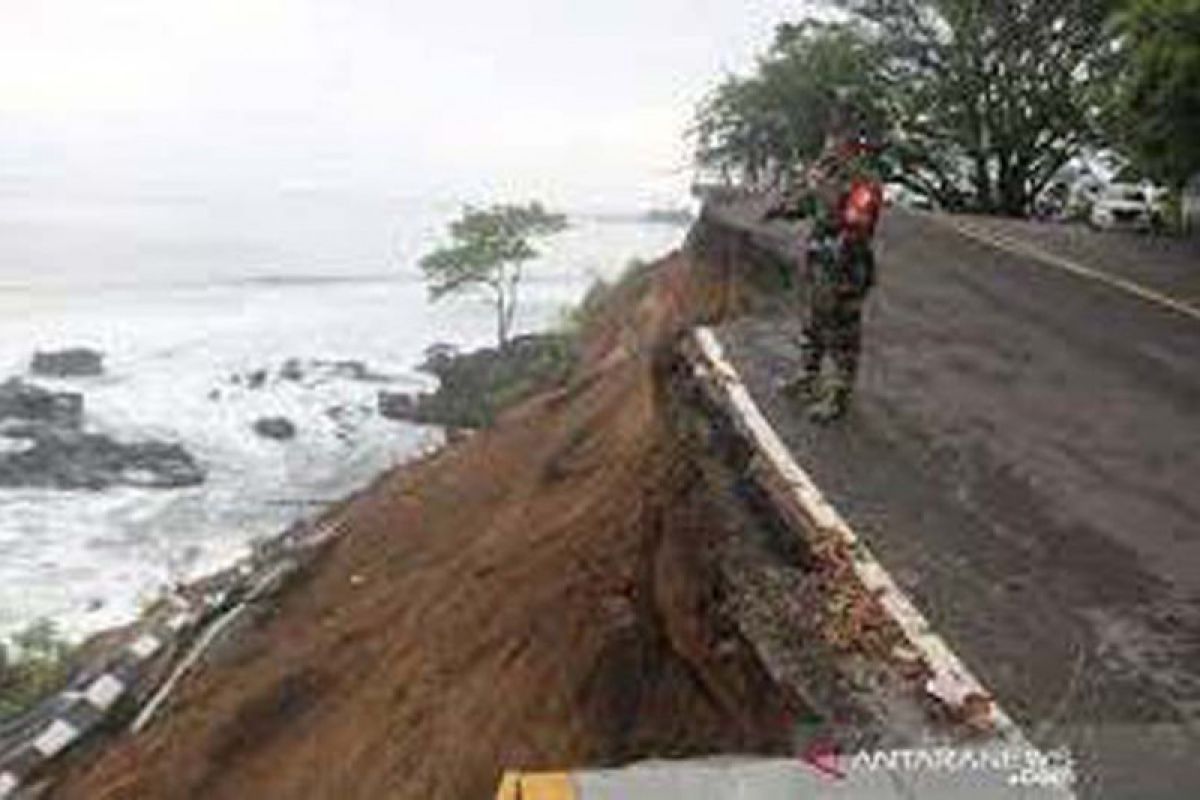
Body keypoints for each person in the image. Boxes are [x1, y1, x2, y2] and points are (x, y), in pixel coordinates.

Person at [764, 119, 885, 423]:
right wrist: (780, 209)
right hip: (819, 261)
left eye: (834, 140)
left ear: (849, 145)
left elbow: (858, 225)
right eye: (828, 139)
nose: (827, 146)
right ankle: (808, 376)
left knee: (842, 331)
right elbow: (806, 204)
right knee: (813, 322)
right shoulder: (826, 173)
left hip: (845, 266)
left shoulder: (864, 181)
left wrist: (838, 249)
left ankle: (838, 396)